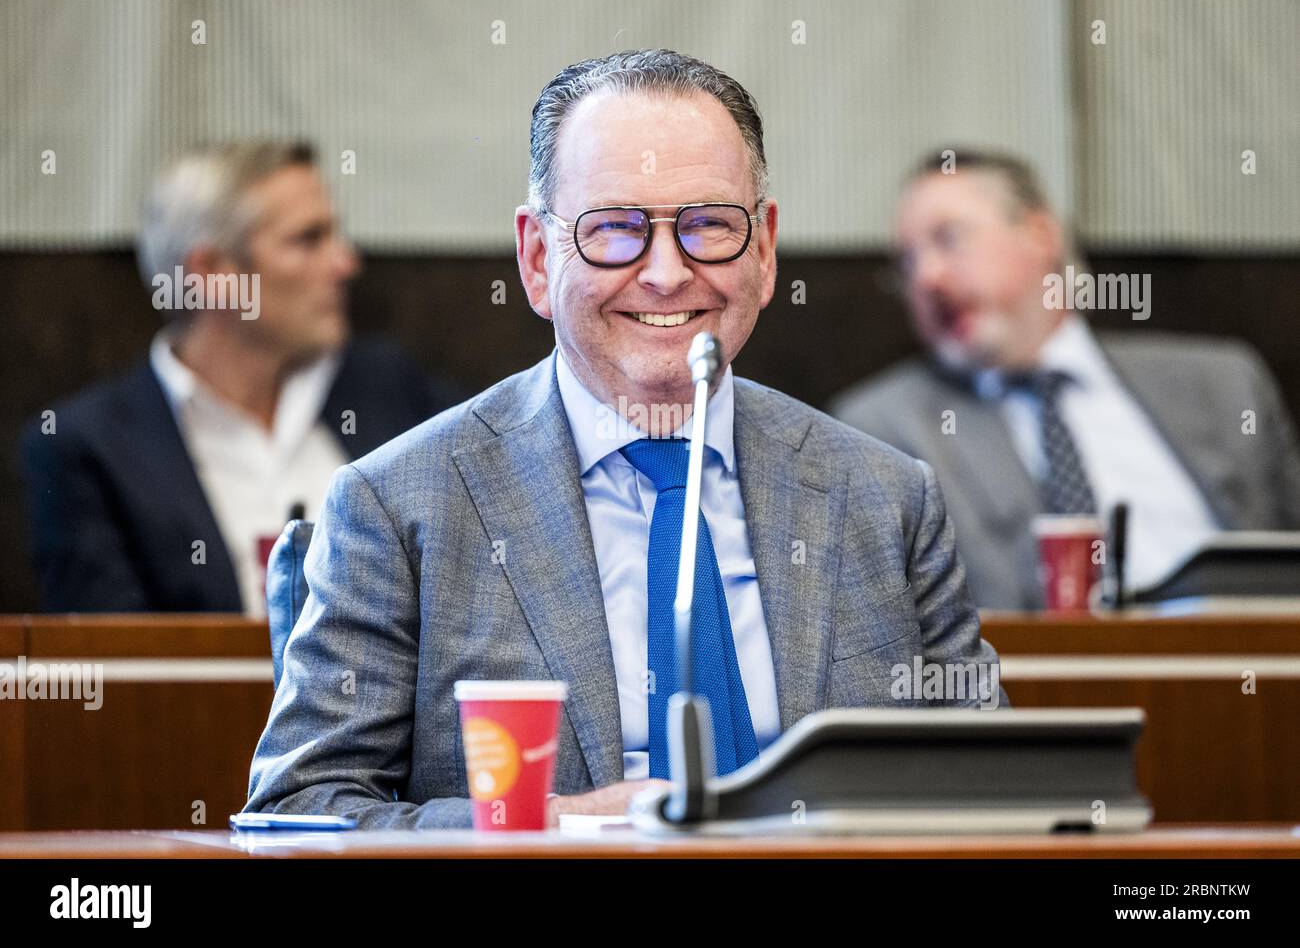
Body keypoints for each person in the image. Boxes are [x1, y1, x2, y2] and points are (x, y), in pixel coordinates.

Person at [245, 50, 1003, 829]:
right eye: (614, 230)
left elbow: (997, 790)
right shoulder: (399, 506)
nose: (669, 273)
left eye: (710, 225)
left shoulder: (886, 498)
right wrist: (562, 826)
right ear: (538, 260)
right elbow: (302, 814)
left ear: (766, 249)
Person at [832, 150, 1300, 609]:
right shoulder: (880, 429)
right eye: (908, 263)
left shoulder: (1223, 384)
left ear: (1040, 234)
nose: (927, 278)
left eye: (949, 239)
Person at [22, 141, 459, 614]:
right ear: (213, 273)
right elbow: (119, 670)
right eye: (309, 239)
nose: (345, 263)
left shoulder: (394, 393)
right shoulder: (87, 449)